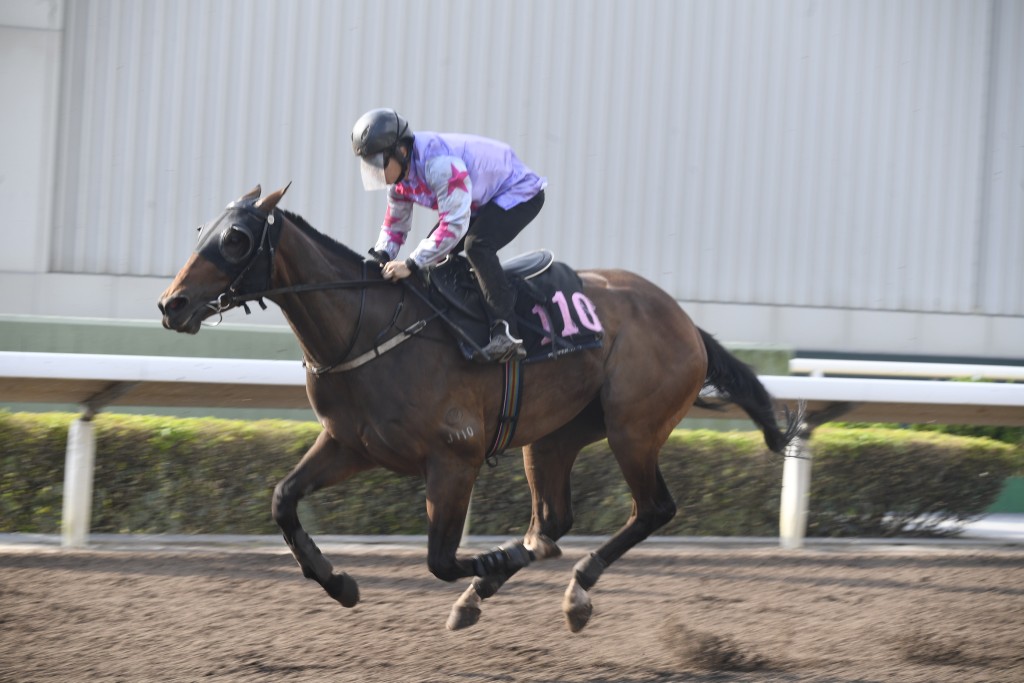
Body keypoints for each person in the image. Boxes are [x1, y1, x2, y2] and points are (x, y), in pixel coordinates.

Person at [351, 108, 546, 363]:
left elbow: (454, 226)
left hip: (519, 192)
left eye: (379, 164)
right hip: (480, 198)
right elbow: (395, 225)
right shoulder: (400, 181)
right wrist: (382, 255)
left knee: (477, 245)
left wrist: (410, 264)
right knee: (434, 253)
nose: (377, 173)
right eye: (370, 166)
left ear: (401, 150)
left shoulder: (439, 164)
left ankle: (506, 332)